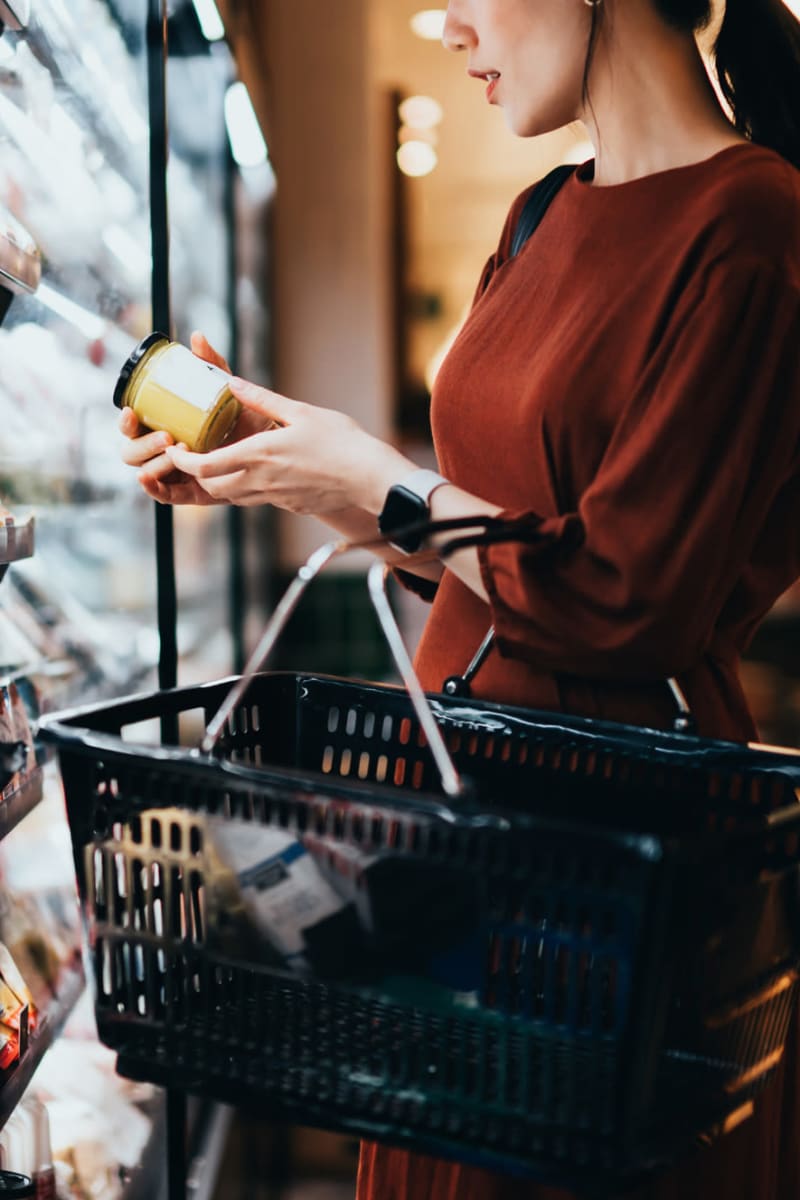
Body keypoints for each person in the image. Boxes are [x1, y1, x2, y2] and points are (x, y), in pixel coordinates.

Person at [121, 0, 800, 1195]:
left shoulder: (751, 222)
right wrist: (289, 472)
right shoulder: (540, 213)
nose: (442, 25)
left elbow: (618, 598)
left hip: (605, 872)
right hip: (460, 837)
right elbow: (494, 553)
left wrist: (370, 474)